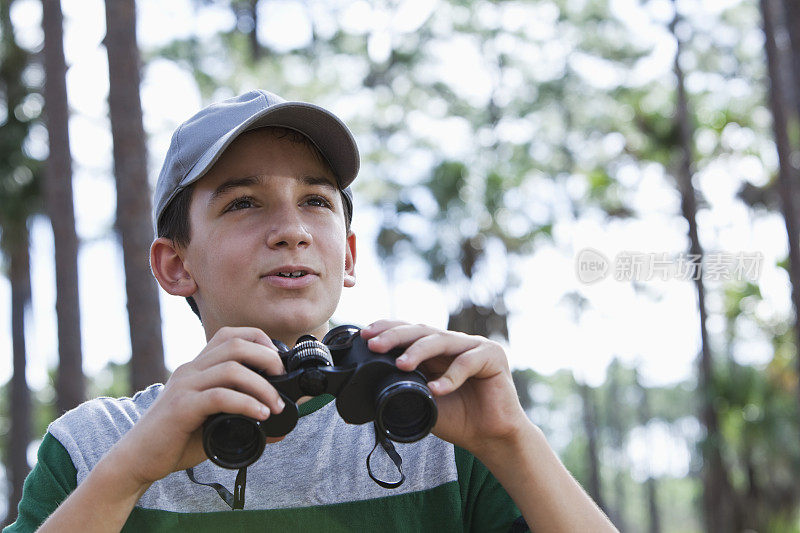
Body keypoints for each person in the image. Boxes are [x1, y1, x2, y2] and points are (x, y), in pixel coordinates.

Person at [4, 90, 617, 532]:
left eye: (317, 201)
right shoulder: (96, 446)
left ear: (347, 256)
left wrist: (509, 440)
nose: (292, 230)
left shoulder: (440, 430)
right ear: (175, 265)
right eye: (243, 203)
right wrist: (129, 472)